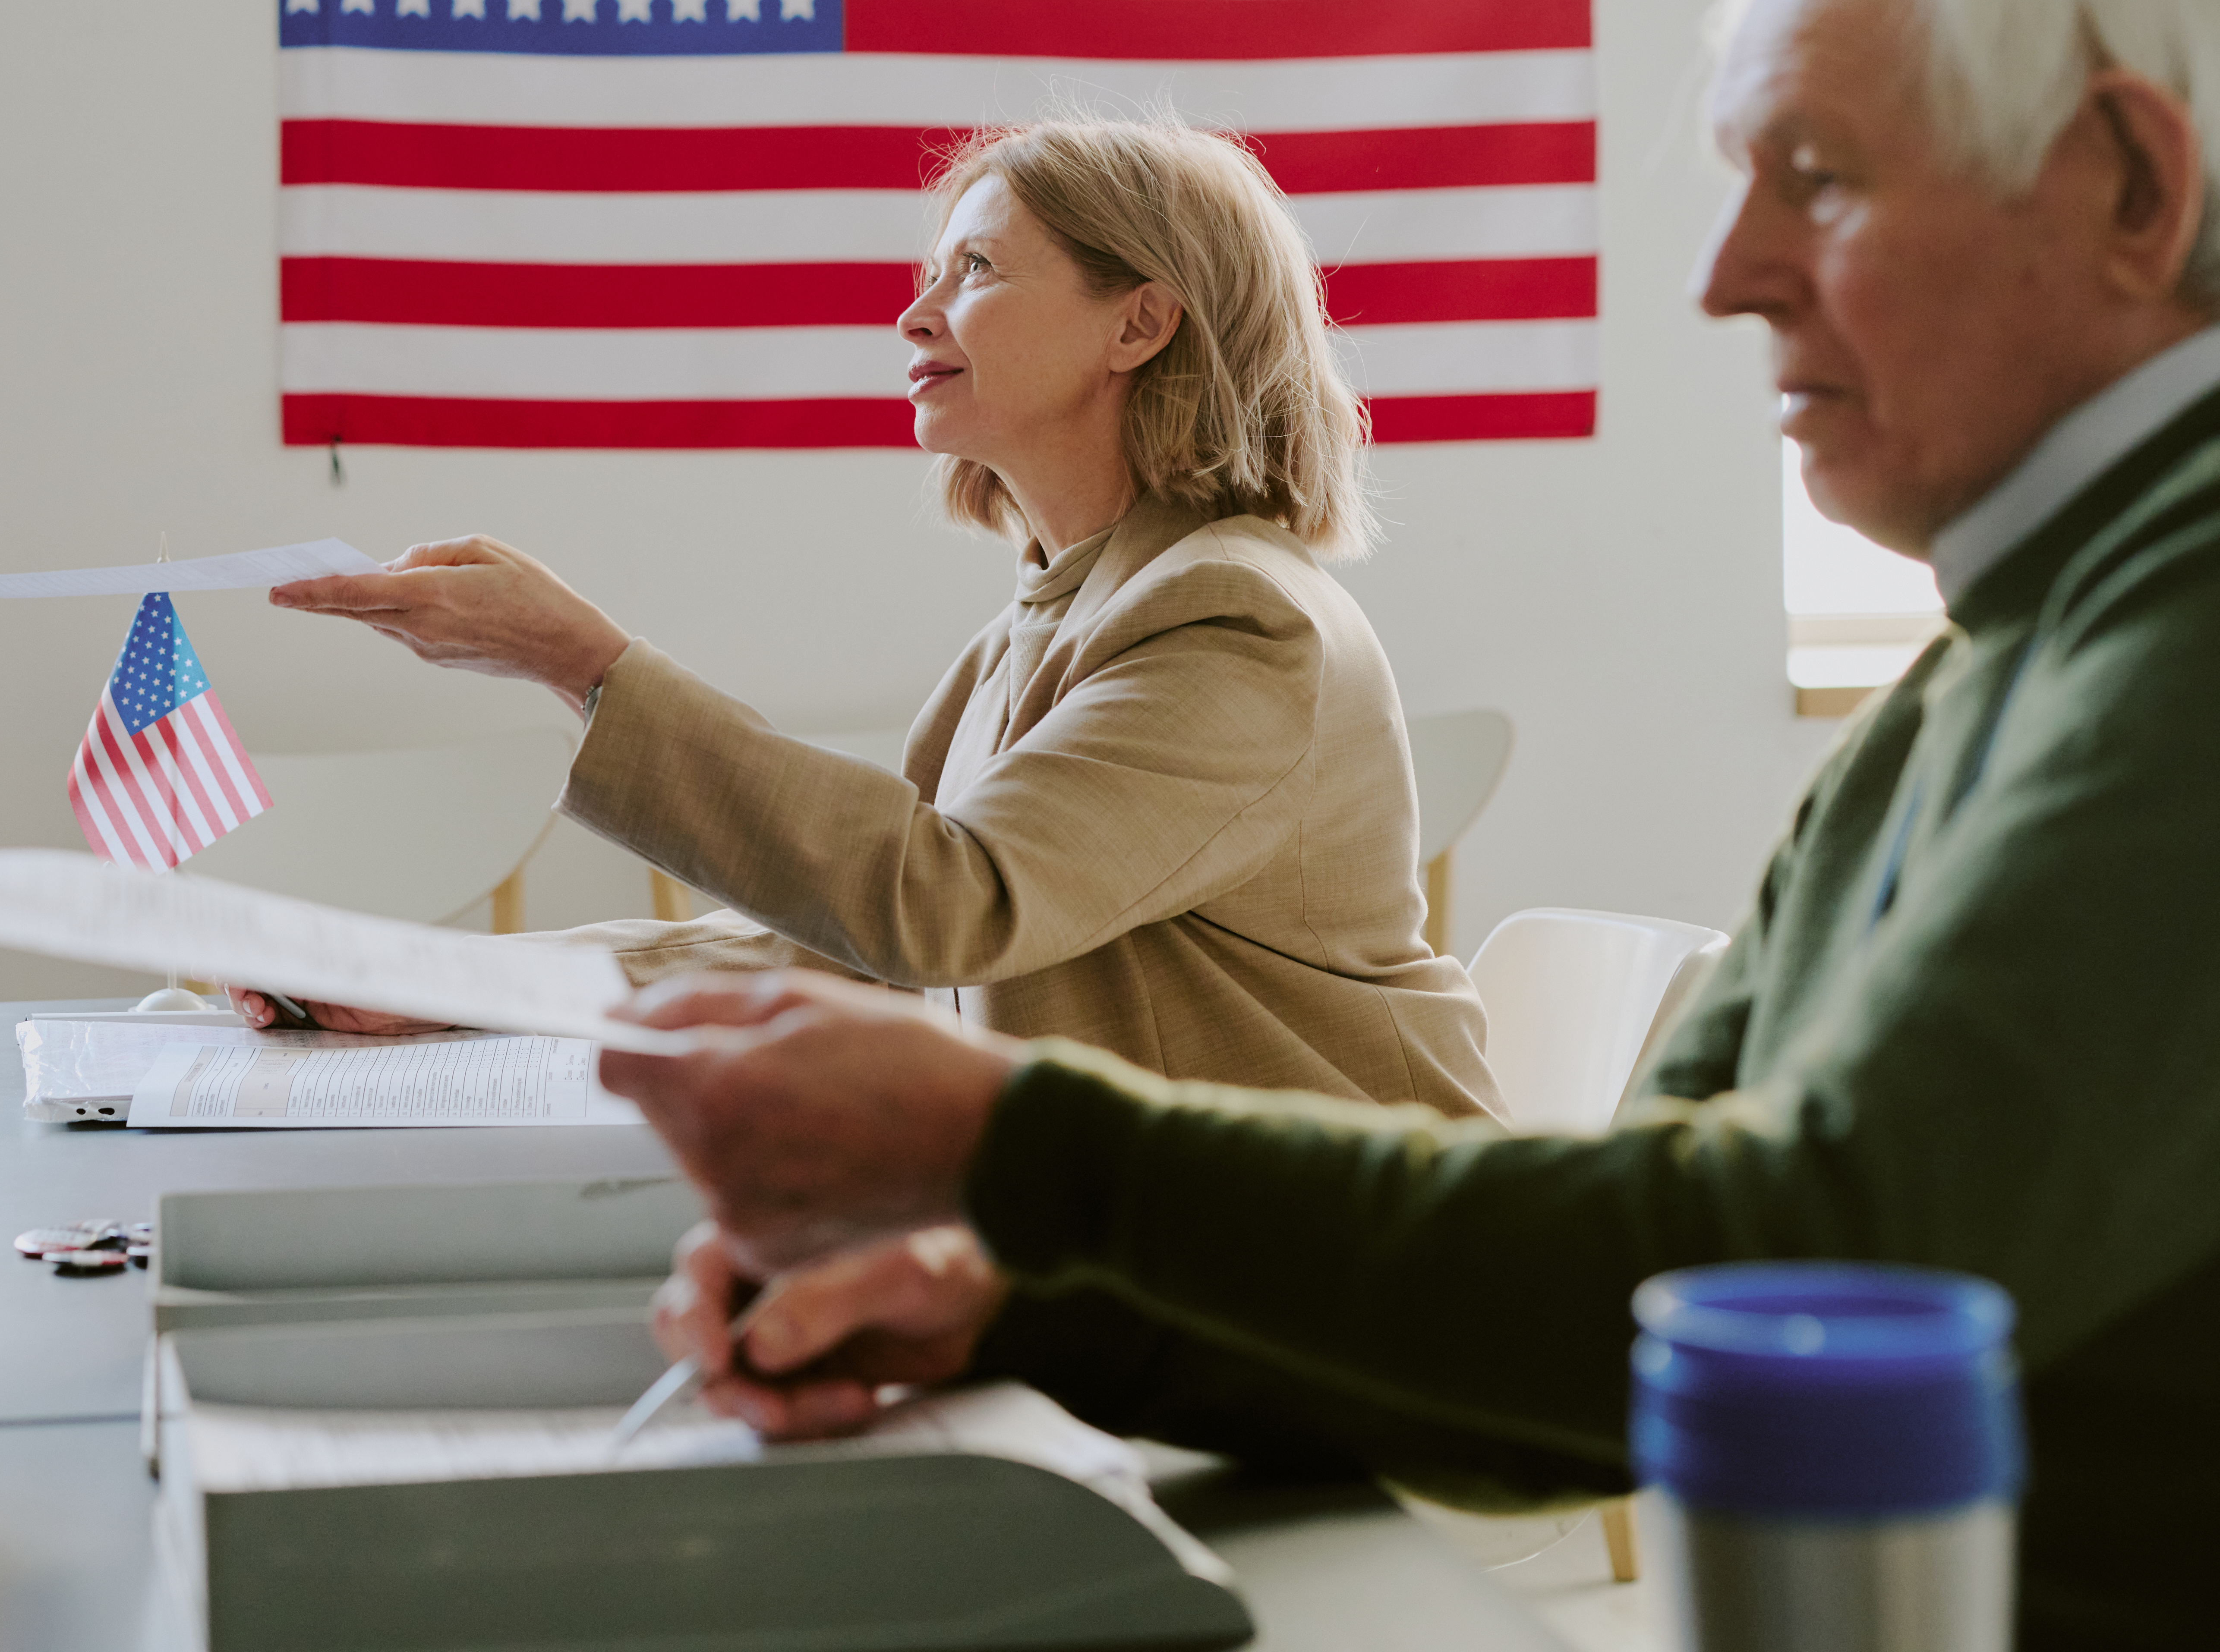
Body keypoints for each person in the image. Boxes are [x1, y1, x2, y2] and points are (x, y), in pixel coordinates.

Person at [602, 0, 2220, 1649]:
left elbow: (1810, 1257)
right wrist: (1028, 1306)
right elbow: (1640, 1321)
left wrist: (1023, 1157)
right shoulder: (1999, 654)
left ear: (2126, 185)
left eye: (1821, 173)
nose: (1727, 271)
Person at [256, 117, 1497, 1118]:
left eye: (977, 271)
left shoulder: (1233, 621)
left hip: (1324, 1282)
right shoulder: (1055, 615)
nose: (914, 317)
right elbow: (851, 952)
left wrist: (581, 663)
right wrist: (450, 983)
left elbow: (942, 905)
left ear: (1140, 321)